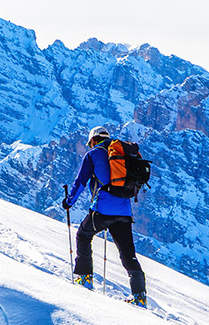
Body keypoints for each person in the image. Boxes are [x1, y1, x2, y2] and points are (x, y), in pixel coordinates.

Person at [62, 125, 148, 306]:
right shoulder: (122, 153)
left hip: (101, 210)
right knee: (128, 254)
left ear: (93, 140)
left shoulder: (93, 154)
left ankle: (85, 277)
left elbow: (80, 182)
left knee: (83, 236)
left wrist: (69, 202)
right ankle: (139, 296)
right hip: (124, 212)